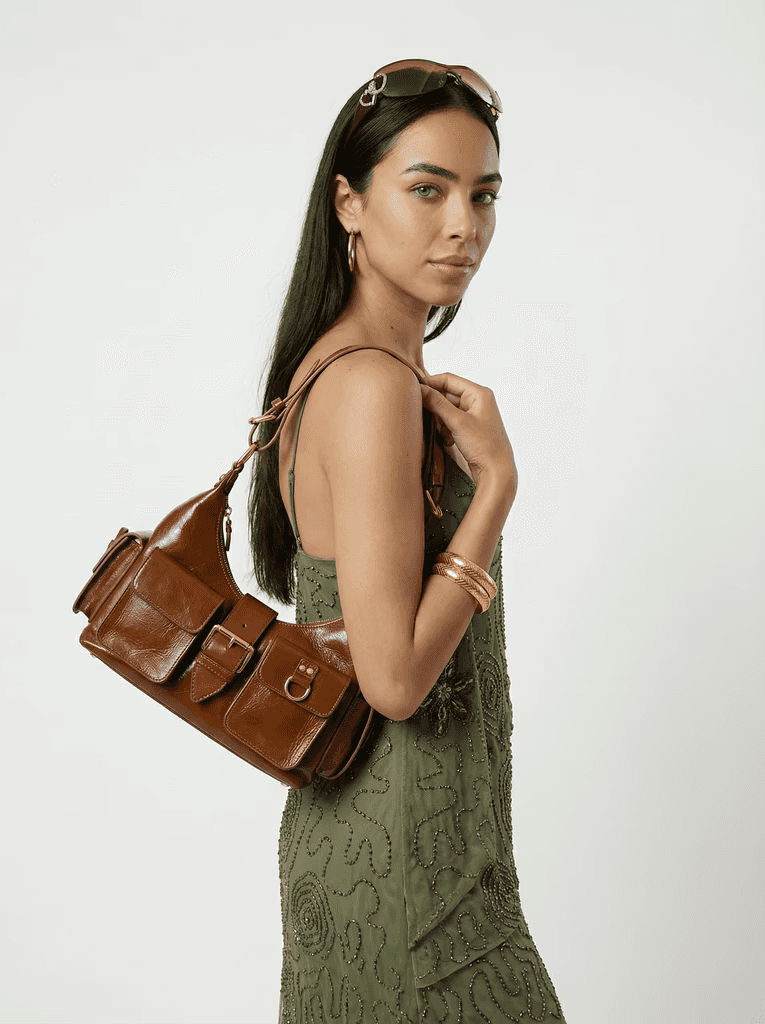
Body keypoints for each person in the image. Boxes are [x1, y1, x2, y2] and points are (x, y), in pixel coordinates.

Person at [247, 59, 567, 1023]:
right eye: (425, 189)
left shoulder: (339, 370)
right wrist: (496, 489)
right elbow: (392, 680)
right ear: (349, 203)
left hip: (381, 860)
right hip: (415, 894)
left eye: (482, 194)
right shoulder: (372, 385)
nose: (462, 224)